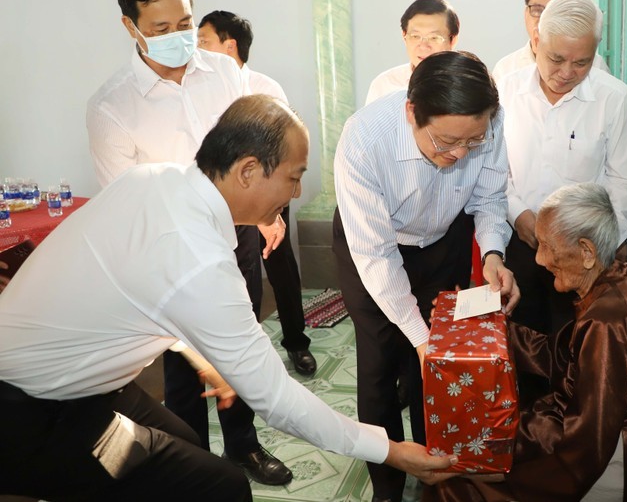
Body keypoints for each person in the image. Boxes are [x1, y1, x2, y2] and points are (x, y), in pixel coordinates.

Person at [0, 95, 458, 502]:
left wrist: (203, 355)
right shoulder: (196, 255)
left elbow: (140, 293)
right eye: (293, 178)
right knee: (220, 486)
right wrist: (391, 451)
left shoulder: (153, 179)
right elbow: (276, 400)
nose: (297, 192)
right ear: (248, 171)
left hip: (75, 381)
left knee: (184, 444)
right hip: (30, 413)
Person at [85, 0, 292, 485]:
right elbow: (129, 204)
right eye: (159, 28)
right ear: (130, 27)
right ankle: (191, 460)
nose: (178, 36)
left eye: (185, 22)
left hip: (233, 234)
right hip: (170, 252)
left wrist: (267, 211)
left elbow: (251, 149)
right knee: (183, 366)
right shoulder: (112, 107)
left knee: (239, 343)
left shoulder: (223, 74)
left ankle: (243, 446)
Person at [424, 183, 627, 502]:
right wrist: (489, 323)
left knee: (461, 482)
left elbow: (587, 447)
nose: (539, 260)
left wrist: (504, 480)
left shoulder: (609, 320)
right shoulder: (616, 279)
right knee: (487, 442)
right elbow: (559, 355)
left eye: (547, 246)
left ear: (586, 252)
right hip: (616, 435)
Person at [334, 50, 520, 502]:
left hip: (443, 242)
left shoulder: (486, 123)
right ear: (412, 112)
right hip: (374, 245)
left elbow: (492, 196)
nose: (458, 155)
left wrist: (493, 253)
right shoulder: (364, 138)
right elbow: (376, 257)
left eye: (471, 143)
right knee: (380, 366)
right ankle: (388, 485)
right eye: (445, 142)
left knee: (436, 371)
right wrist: (421, 340)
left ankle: (439, 476)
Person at [498, 0, 627, 336]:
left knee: (580, 348)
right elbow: (493, 171)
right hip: (520, 242)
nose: (566, 73)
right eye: (556, 58)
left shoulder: (615, 98)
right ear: (536, 40)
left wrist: (604, 245)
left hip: (584, 255)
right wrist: (519, 216)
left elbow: (625, 182)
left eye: (582, 63)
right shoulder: (506, 91)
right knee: (522, 342)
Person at [198, 9, 316, 376]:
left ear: (228, 45)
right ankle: (242, 353)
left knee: (280, 266)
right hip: (228, 200)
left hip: (270, 193)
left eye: (203, 41)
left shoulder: (265, 88)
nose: (195, 49)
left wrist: (273, 211)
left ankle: (297, 343)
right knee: (238, 273)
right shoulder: (200, 88)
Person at [492, 0, 609, 81]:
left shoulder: (596, 66)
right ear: (525, 13)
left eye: (552, 12)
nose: (543, 18)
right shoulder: (505, 69)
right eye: (537, 10)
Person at [364, 0, 459, 105]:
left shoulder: (470, 84)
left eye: (434, 38)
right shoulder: (384, 85)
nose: (423, 46)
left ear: (453, 40)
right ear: (404, 35)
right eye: (415, 36)